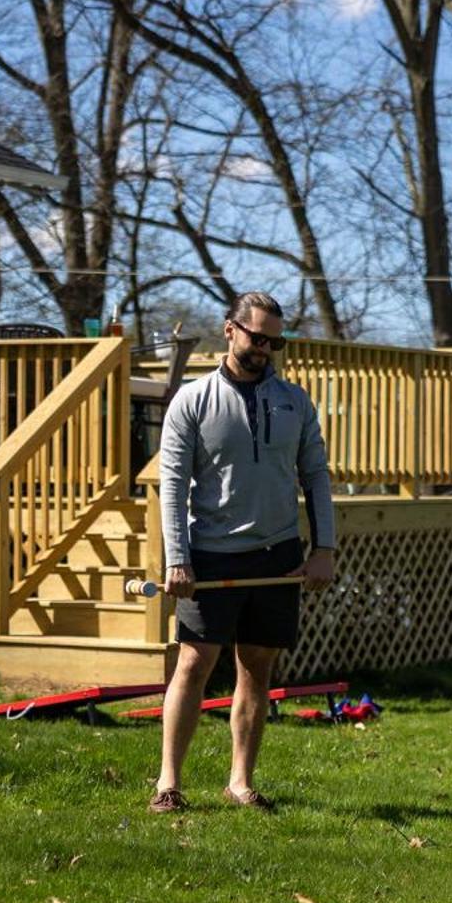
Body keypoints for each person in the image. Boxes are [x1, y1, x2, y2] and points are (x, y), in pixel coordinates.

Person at [148, 292, 336, 814]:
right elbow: (173, 484)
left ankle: (239, 782)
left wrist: (323, 548)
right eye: (258, 338)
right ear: (230, 330)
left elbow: (315, 476)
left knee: (257, 668)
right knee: (193, 662)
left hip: (277, 555)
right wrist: (177, 559)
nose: (266, 348)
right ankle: (169, 783)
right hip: (211, 552)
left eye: (275, 341)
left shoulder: (295, 402)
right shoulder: (193, 400)